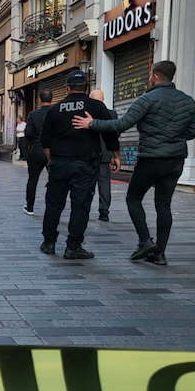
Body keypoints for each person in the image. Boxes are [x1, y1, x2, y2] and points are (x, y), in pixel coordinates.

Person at [73, 61, 195, 265]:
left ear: (155, 76)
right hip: (175, 160)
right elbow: (194, 131)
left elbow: (121, 124)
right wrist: (172, 138)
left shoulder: (147, 99)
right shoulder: (188, 101)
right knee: (164, 205)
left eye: (150, 75)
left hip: (151, 158)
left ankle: (145, 241)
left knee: (133, 198)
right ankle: (159, 253)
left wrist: (92, 123)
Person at [40, 70, 120, 259]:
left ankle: (49, 243)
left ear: (67, 88)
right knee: (80, 206)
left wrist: (52, 160)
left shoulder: (55, 109)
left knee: (54, 205)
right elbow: (110, 132)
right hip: (85, 164)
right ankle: (73, 247)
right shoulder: (97, 106)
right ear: (86, 87)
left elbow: (45, 139)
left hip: (59, 163)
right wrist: (116, 155)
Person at [88, 90, 118, 222]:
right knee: (104, 183)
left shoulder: (86, 114)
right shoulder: (112, 114)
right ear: (103, 99)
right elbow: (115, 133)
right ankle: (104, 211)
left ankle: (84, 208)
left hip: (88, 153)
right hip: (105, 153)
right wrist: (114, 154)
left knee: (86, 183)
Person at [23, 90, 53, 215]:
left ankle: (30, 206)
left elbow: (28, 133)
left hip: (38, 149)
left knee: (33, 179)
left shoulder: (33, 114)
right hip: (54, 151)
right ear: (52, 99)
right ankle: (52, 207)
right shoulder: (56, 112)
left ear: (39, 100)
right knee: (54, 180)